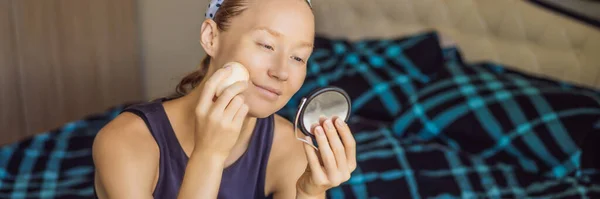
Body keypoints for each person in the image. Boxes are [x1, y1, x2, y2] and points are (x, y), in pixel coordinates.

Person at [92, 0, 357, 198]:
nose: (281, 72)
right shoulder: (125, 141)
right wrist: (209, 155)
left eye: (298, 57)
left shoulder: (288, 147)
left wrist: (309, 192)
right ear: (211, 37)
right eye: (266, 45)